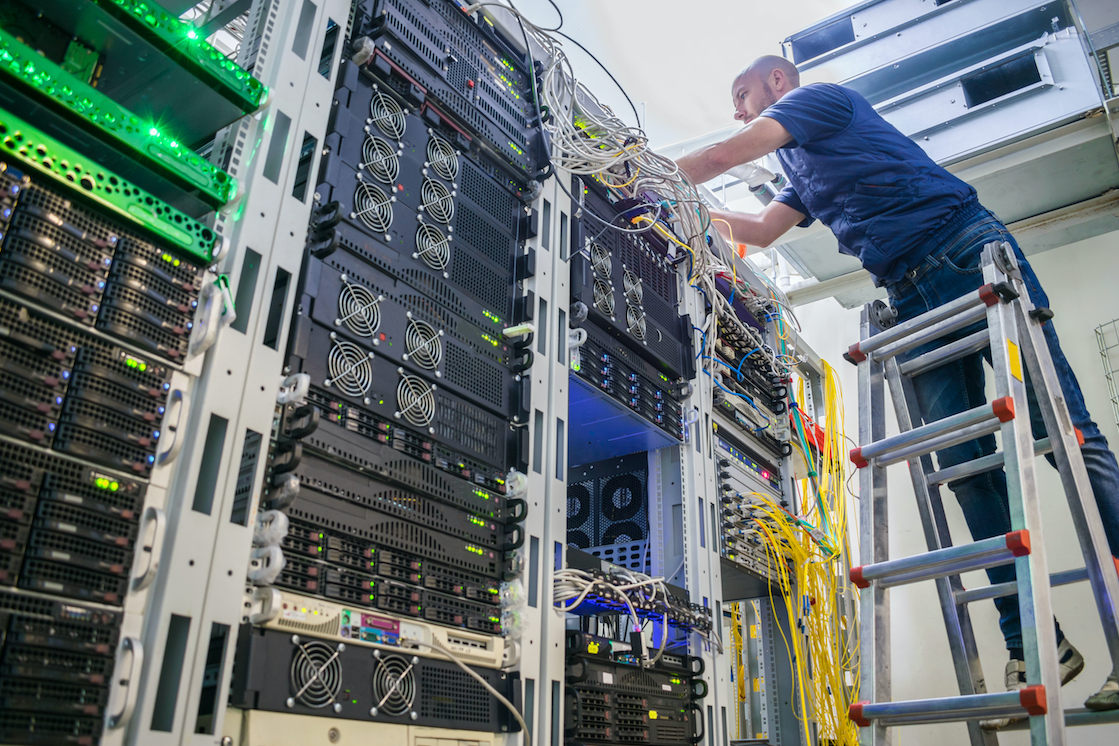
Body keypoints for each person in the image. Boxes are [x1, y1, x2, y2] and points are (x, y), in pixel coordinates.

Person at [675, 55, 1119, 723]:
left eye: (743, 94)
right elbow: (760, 230)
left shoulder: (815, 102)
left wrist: (643, 170)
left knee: (1063, 437)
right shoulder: (799, 165)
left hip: (965, 250)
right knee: (964, 469)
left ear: (775, 80)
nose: (739, 109)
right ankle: (1033, 643)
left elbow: (724, 153)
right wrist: (685, 212)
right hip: (911, 293)